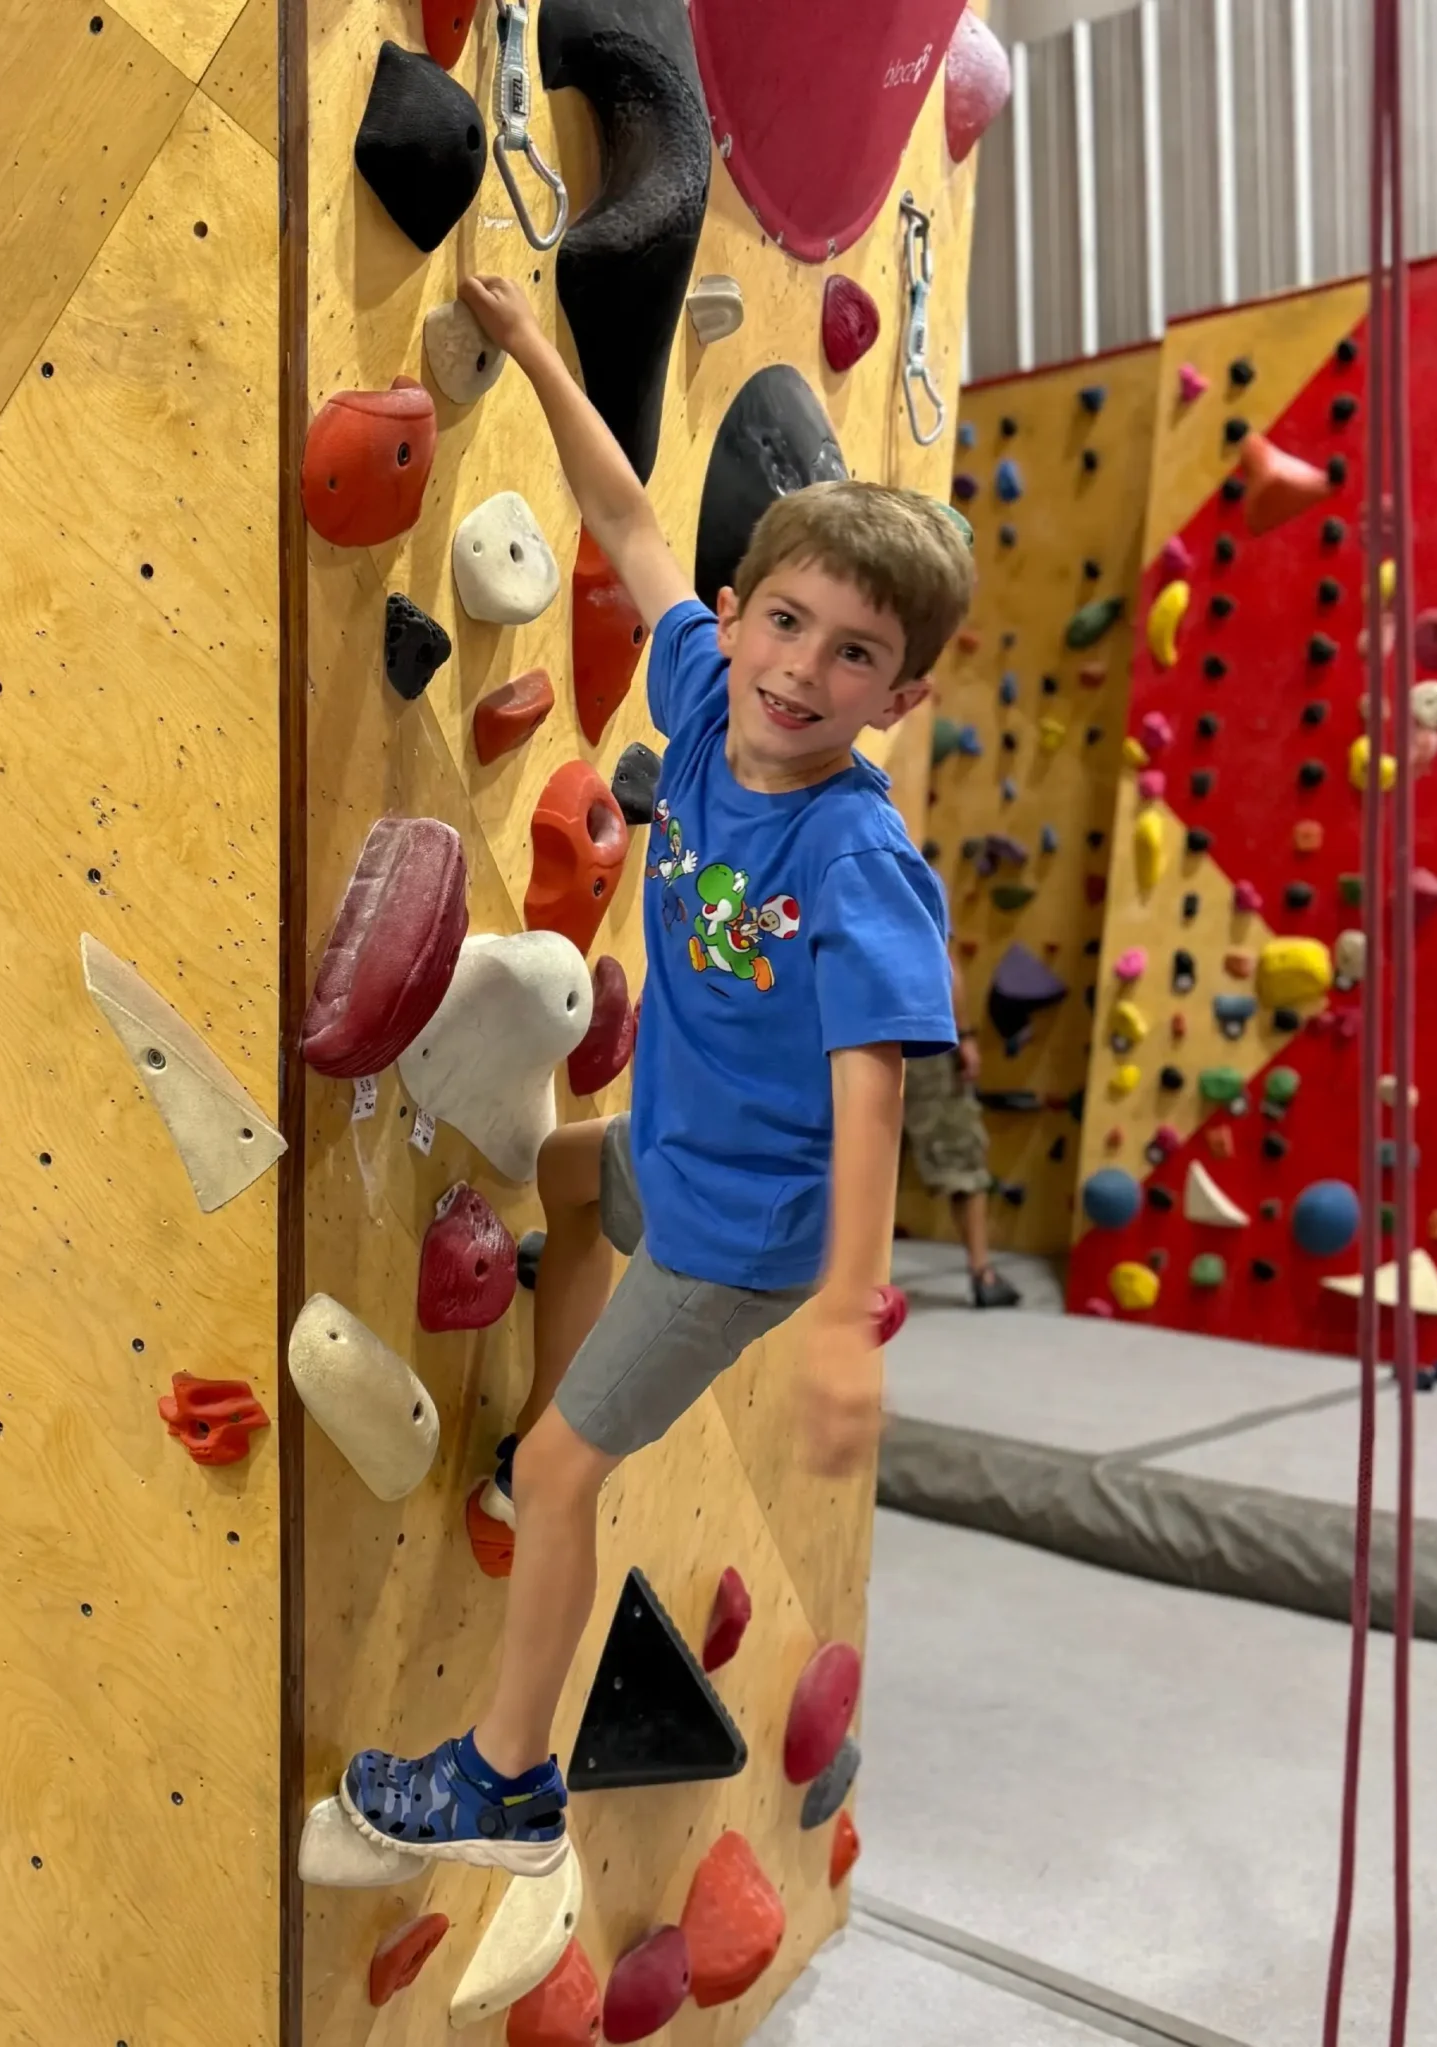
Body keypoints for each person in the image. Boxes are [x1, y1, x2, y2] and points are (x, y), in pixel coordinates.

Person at [336, 273, 974, 1875]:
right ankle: (550, 1430)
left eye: (855, 656)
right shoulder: (698, 703)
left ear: (899, 698)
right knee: (565, 1178)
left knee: (566, 1473)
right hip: (673, 1148)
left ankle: (503, 1783)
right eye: (786, 623)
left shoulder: (856, 857)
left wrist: (848, 1314)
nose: (801, 670)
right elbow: (623, 512)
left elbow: (876, 1087)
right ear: (738, 614)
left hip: (740, 1237)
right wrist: (532, 349)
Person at [902, 952, 1022, 1307]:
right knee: (960, 1152)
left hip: (853, 1032)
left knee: (856, 1160)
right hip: (922, 1032)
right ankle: (983, 1273)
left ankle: (841, 1278)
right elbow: (943, 961)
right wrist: (965, 1035)